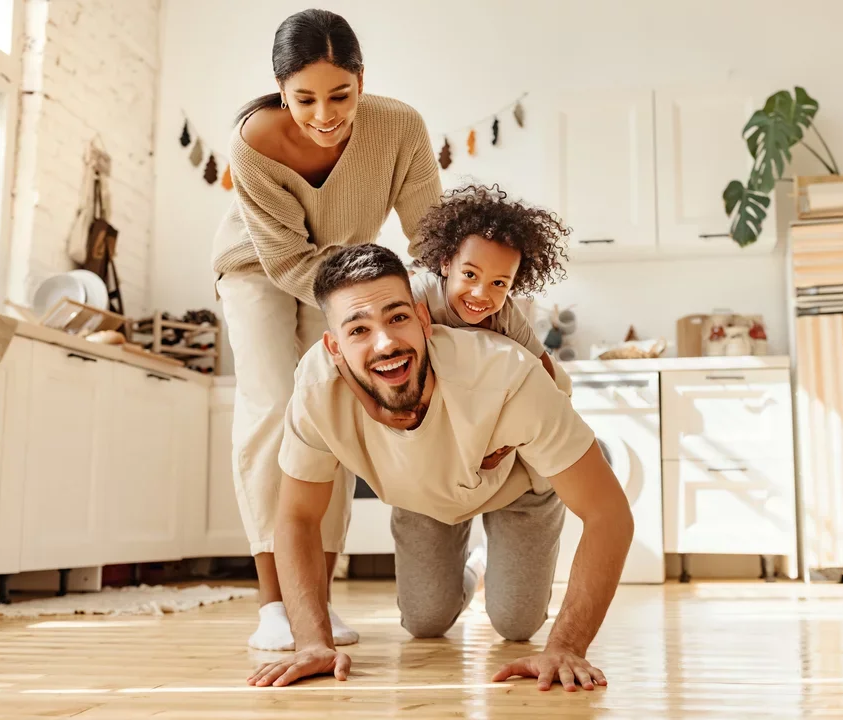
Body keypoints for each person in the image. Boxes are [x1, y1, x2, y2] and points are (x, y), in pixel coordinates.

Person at [248, 244, 634, 691]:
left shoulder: (508, 375)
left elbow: (610, 515)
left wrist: (567, 645)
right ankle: (476, 565)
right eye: (358, 330)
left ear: (423, 319)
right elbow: (297, 516)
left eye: (397, 318)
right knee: (424, 621)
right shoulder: (316, 391)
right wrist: (311, 643)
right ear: (334, 347)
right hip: (421, 494)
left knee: (515, 622)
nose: (386, 343)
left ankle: (496, 555)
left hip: (515, 486)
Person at [211, 9, 442, 651]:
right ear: (281, 88)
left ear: (362, 82)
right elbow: (284, 260)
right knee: (268, 405)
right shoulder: (253, 141)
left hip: (341, 274)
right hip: (257, 266)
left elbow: (429, 235)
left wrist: (461, 293)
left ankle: (317, 593)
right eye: (306, 98)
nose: (324, 114)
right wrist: (364, 300)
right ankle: (273, 605)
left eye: (341, 94)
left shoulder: (401, 128)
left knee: (328, 413)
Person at [340, 184, 574, 431]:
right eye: (470, 274)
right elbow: (349, 353)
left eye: (498, 283)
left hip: (477, 400)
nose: (481, 294)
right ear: (446, 264)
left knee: (564, 385)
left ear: (513, 284)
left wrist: (521, 429)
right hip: (425, 397)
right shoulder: (418, 295)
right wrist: (374, 409)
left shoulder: (506, 314)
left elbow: (544, 372)